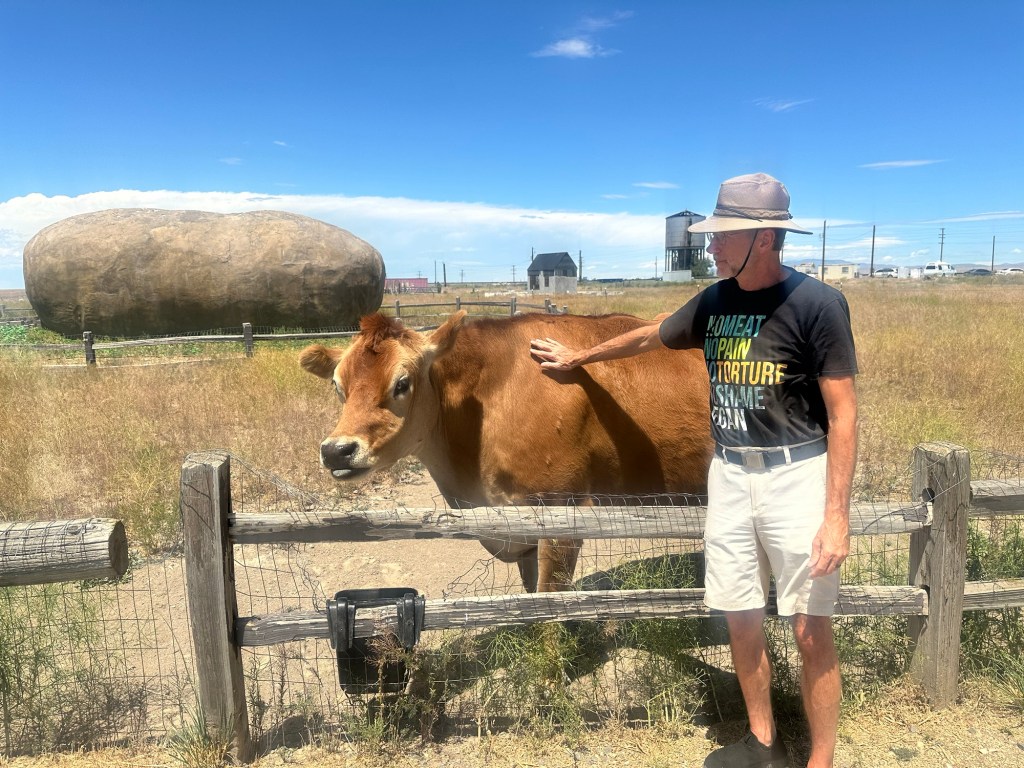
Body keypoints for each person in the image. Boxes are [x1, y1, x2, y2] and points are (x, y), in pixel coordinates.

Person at [529, 173, 858, 768]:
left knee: (811, 632)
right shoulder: (714, 301)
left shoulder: (818, 305)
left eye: (721, 237)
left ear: (762, 238)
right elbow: (646, 337)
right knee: (740, 617)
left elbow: (844, 414)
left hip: (796, 478)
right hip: (729, 477)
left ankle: (822, 761)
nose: (709, 247)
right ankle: (764, 743)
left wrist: (836, 516)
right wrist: (578, 357)